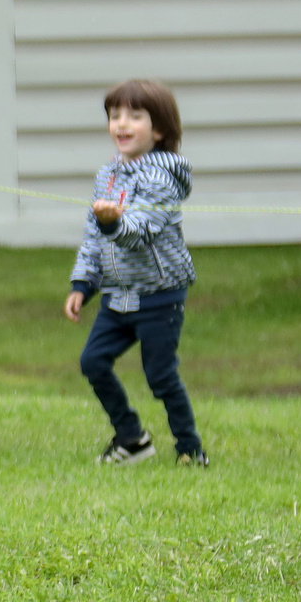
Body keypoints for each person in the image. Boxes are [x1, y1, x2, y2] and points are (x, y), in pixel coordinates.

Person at [64, 80, 206, 467]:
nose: (121, 124)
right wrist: (83, 284)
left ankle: (190, 449)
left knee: (160, 375)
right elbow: (93, 237)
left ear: (159, 130)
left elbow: (139, 233)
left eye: (135, 116)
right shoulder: (107, 176)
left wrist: (112, 222)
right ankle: (132, 438)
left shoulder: (161, 180)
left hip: (159, 297)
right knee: (92, 362)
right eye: (115, 116)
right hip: (117, 296)